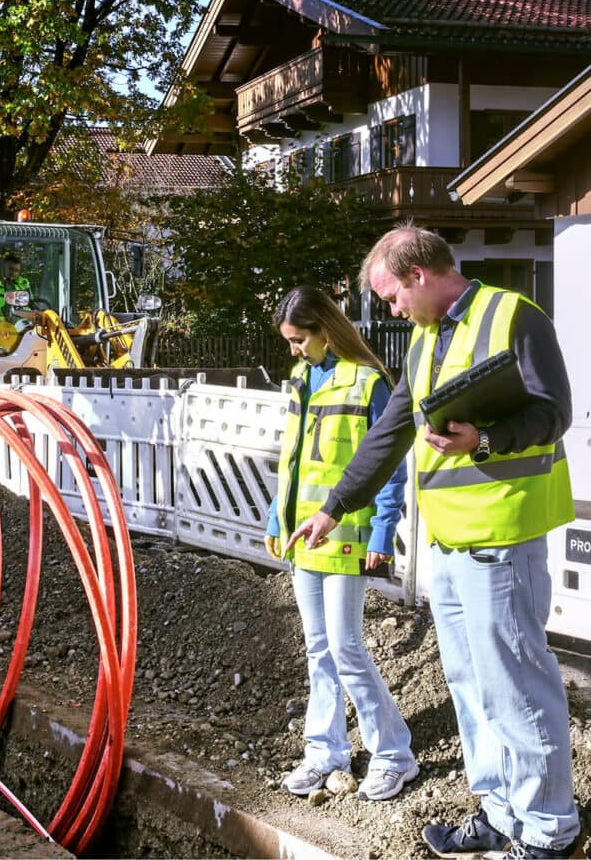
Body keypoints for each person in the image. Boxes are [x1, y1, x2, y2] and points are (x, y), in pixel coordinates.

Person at [287, 223, 580, 860]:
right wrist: (335, 507)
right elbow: (388, 434)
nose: (391, 310)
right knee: (471, 684)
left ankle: (549, 830)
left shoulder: (514, 316)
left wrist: (488, 439)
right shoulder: (423, 341)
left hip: (502, 536)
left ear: (418, 275)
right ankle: (501, 813)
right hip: (449, 546)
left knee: (516, 687)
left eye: (392, 296)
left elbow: (555, 411)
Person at [267, 286, 418, 802]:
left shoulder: (369, 382)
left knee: (347, 649)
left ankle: (394, 753)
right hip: (303, 540)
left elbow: (390, 466)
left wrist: (381, 531)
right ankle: (324, 752)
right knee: (318, 651)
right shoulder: (298, 378)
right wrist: (275, 518)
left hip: (347, 539)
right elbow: (290, 461)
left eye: (299, 340)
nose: (294, 350)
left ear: (325, 331)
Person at [0, 252, 32, 319]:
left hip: (19, 325)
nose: (13, 273)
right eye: (11, 269)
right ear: (3, 268)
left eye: (16, 270)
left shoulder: (23, 284)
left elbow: (31, 305)